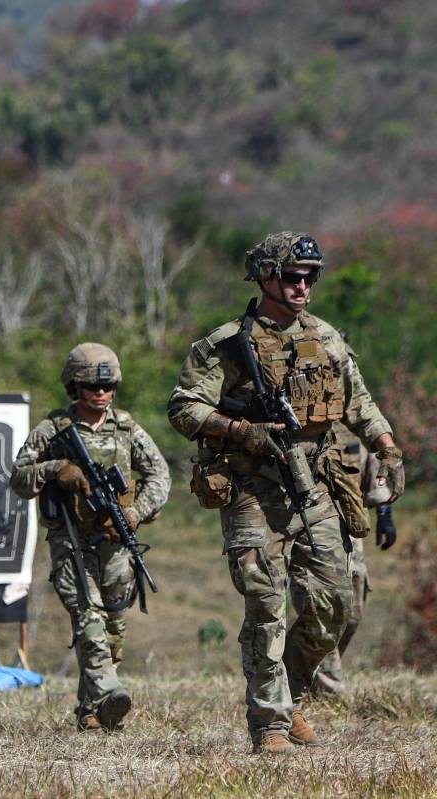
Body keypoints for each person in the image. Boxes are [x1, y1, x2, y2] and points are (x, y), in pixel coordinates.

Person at [167, 232, 403, 755]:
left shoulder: (329, 338)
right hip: (252, 486)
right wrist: (241, 430)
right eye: (293, 276)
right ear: (266, 278)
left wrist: (386, 448)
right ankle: (269, 722)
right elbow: (184, 408)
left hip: (314, 483)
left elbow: (358, 402)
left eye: (310, 276)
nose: (303, 286)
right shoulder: (226, 344)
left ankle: (291, 694)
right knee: (266, 602)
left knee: (336, 602)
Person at [9, 343, 170, 733]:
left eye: (108, 386)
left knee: (113, 627)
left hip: (116, 541)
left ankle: (93, 708)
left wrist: (133, 513)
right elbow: (17, 478)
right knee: (87, 614)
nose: (100, 394)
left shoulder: (128, 429)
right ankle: (110, 689)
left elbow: (161, 478)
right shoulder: (53, 430)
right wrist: (56, 468)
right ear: (74, 386)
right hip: (70, 540)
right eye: (90, 387)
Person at [310, 421, 397, 695]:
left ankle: (309, 670)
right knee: (323, 607)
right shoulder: (299, 426)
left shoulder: (352, 425)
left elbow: (374, 467)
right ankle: (325, 690)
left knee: (353, 611)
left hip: (351, 528)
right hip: (310, 530)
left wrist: (385, 516)